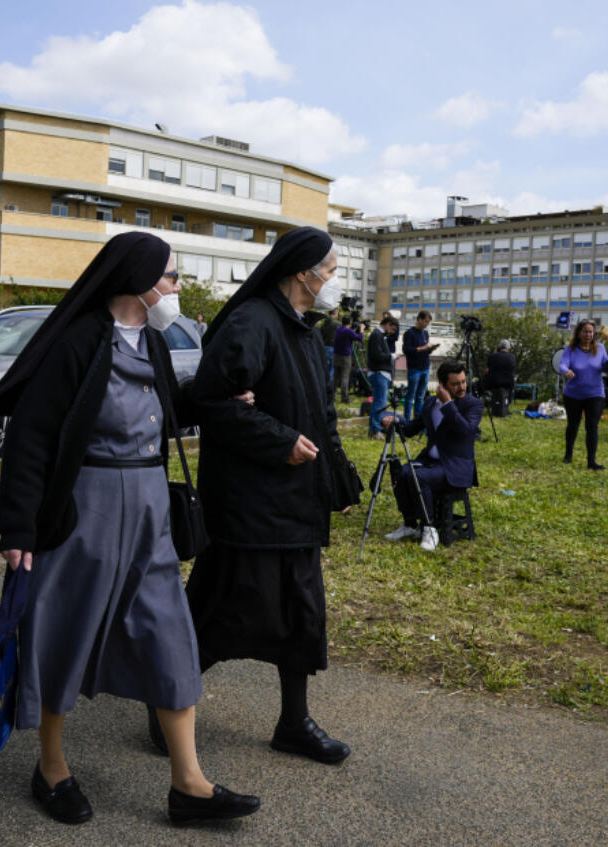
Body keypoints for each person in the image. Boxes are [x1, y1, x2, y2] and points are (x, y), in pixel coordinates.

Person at [0, 232, 259, 826]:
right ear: (136, 280)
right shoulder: (79, 341)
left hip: (148, 512)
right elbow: (31, 438)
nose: (177, 288)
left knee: (170, 634)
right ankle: (51, 768)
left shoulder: (155, 343)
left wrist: (219, 399)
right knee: (63, 634)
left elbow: (165, 407)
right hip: (83, 511)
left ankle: (189, 785)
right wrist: (18, 530)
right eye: (170, 277)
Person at [179, 226, 352, 766]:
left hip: (296, 505)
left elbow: (320, 417)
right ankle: (166, 707)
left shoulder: (305, 329)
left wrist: (339, 478)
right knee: (219, 616)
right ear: (302, 272)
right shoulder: (250, 322)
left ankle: (294, 723)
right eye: (330, 269)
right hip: (249, 508)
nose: (333, 279)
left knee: (303, 616)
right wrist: (280, 443)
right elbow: (213, 403)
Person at [380, 361, 483, 552]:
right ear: (442, 385)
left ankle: (430, 528)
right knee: (401, 472)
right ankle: (410, 524)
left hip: (455, 466)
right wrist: (396, 421)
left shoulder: (473, 405)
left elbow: (466, 431)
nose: (462, 387)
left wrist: (449, 404)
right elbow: (411, 429)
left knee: (418, 477)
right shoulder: (429, 403)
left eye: (463, 382)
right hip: (431, 461)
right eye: (456, 383)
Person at [559, 319, 608, 469]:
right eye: (585, 331)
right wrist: (566, 371)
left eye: (591, 332)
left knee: (592, 426)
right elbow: (562, 364)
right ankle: (568, 454)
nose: (588, 334)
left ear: (594, 334)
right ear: (579, 333)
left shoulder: (600, 348)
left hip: (595, 393)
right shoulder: (571, 349)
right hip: (573, 394)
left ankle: (591, 461)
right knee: (573, 425)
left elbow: (606, 366)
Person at [366, 314, 399, 438]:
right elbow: (376, 355)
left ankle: (378, 428)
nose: (392, 333)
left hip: (381, 373)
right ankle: (374, 430)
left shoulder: (379, 336)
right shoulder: (376, 335)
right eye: (393, 329)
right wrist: (391, 356)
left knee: (381, 403)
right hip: (379, 373)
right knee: (379, 403)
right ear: (388, 324)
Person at [402, 311, 439, 421]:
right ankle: (407, 420)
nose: (427, 324)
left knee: (420, 397)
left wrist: (430, 349)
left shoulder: (425, 333)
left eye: (428, 322)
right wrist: (423, 347)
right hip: (414, 368)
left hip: (425, 368)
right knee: (410, 396)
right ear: (419, 319)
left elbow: (425, 351)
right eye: (426, 321)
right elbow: (406, 350)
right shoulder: (409, 333)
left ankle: (417, 420)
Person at [332, 314, 363, 404]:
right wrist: (361, 330)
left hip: (336, 355)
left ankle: (332, 396)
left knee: (335, 377)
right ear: (350, 322)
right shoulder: (348, 331)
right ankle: (344, 398)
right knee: (345, 377)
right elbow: (359, 338)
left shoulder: (338, 329)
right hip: (345, 357)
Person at [482, 339, 517, 416]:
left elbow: (487, 370)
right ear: (508, 348)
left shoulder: (492, 356)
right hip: (508, 383)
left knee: (484, 381)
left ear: (499, 347)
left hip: (493, 383)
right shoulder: (512, 357)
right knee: (511, 384)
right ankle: (506, 406)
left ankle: (488, 402)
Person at [318, 307, 338, 381]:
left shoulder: (324, 322)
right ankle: (329, 386)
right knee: (332, 368)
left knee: (324, 367)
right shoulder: (336, 324)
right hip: (332, 347)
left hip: (324, 346)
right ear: (335, 312)